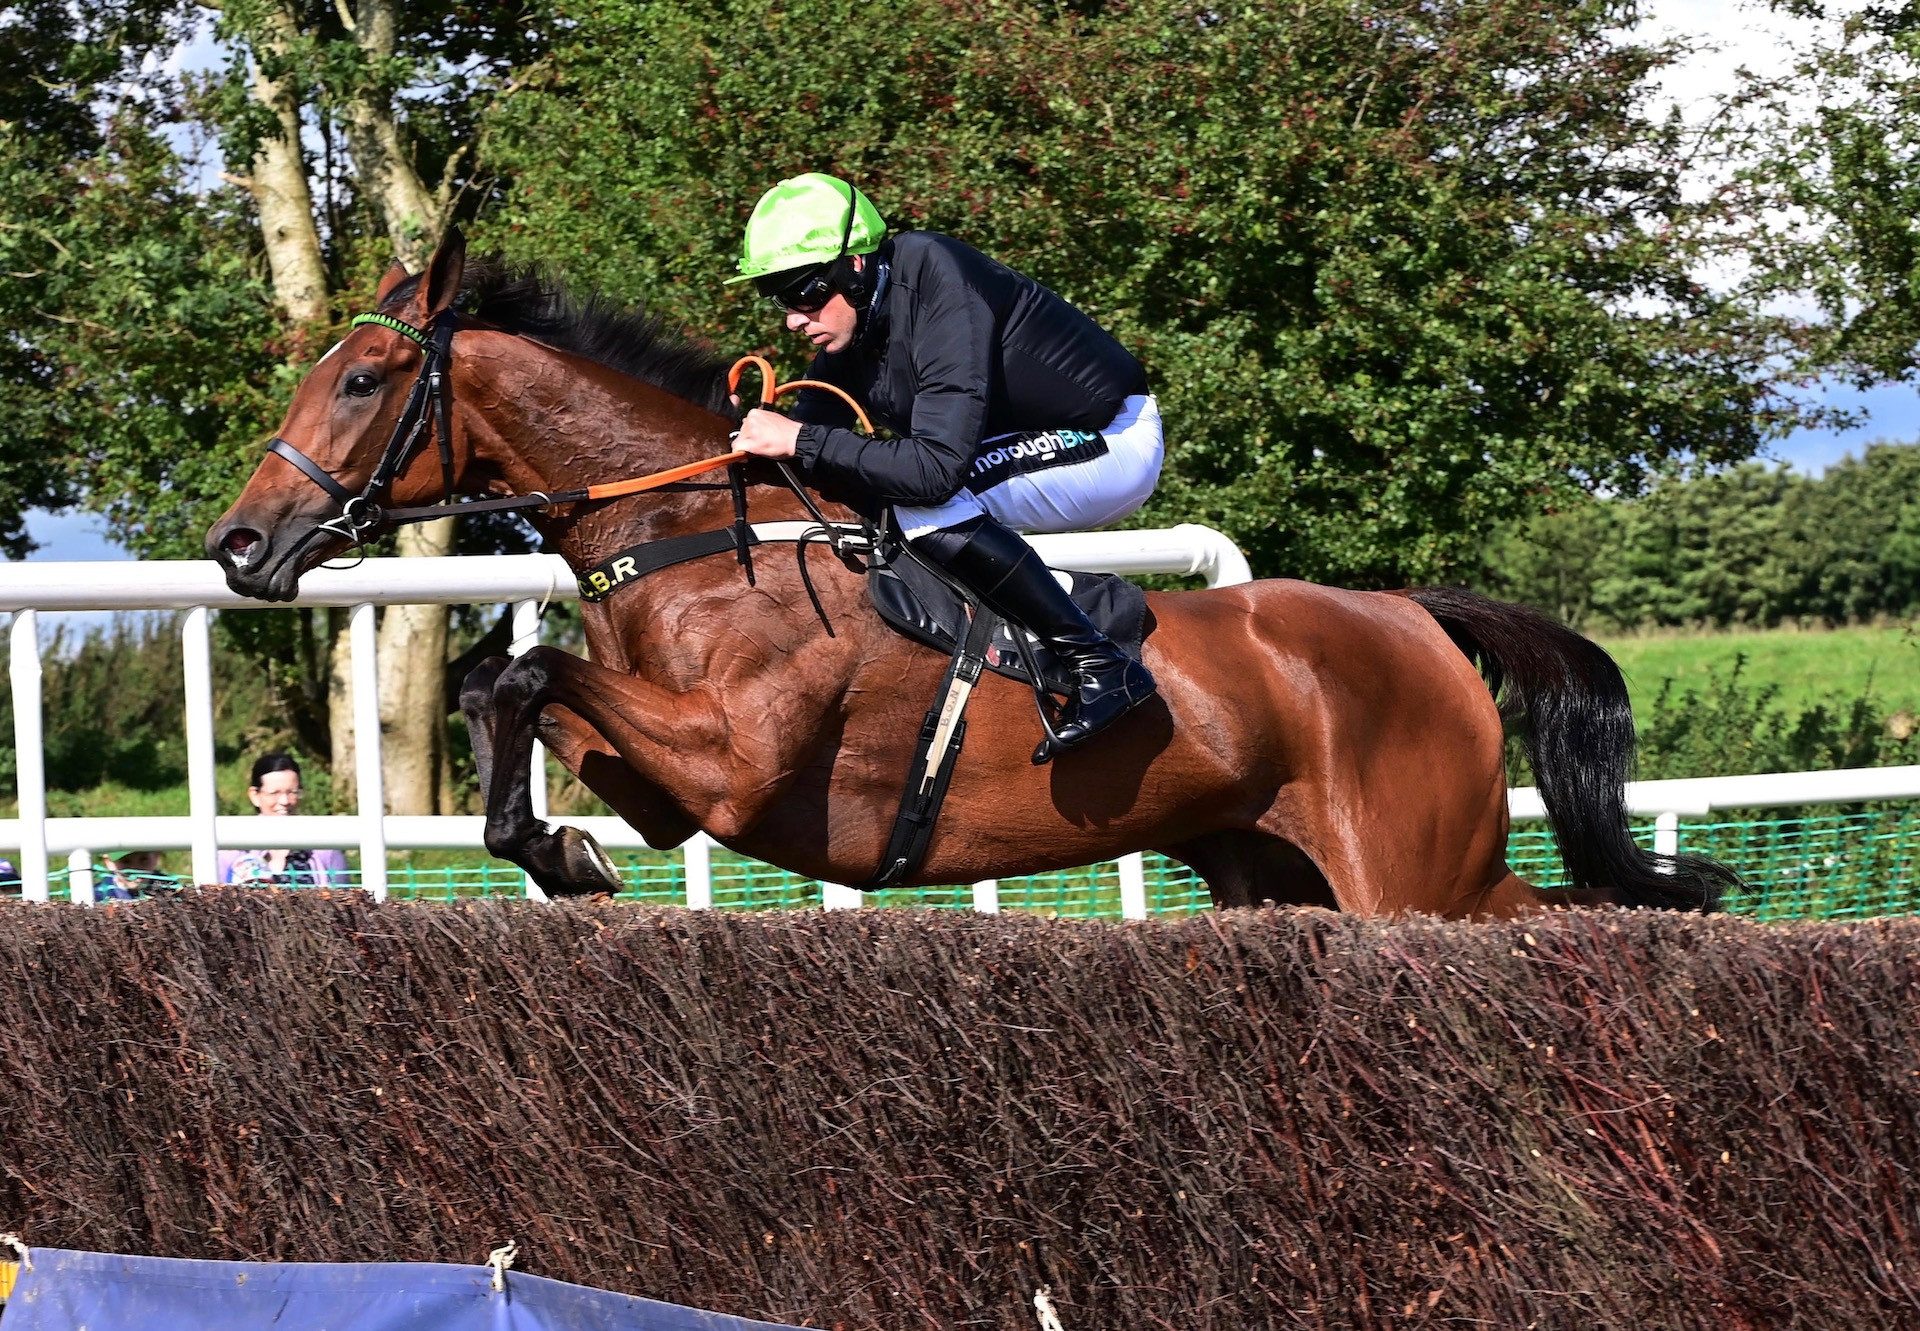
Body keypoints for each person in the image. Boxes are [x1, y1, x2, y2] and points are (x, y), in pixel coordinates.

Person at [727, 173, 1163, 765]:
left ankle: (1100, 660)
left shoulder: (937, 274)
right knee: (861, 494)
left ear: (855, 266)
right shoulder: (860, 315)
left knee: (921, 501)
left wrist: (800, 439)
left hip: (1112, 438)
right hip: (1035, 438)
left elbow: (933, 470)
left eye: (803, 294)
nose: (793, 320)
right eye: (778, 299)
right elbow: (813, 442)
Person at [217, 753, 349, 888]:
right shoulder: (231, 850)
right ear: (254, 795)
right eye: (274, 793)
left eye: (292, 792)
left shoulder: (324, 849)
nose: (284, 801)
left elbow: (344, 900)